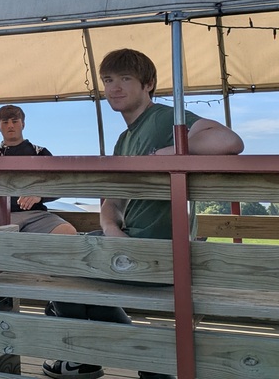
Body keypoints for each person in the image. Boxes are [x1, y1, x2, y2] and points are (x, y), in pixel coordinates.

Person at [42, 49, 244, 379]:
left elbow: (229, 140)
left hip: (160, 248)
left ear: (148, 84)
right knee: (53, 262)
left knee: (62, 271)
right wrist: (110, 228)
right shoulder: (124, 140)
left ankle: (109, 359)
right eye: (108, 80)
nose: (114, 87)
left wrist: (171, 151)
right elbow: (114, 201)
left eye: (125, 79)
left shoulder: (166, 119)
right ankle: (136, 360)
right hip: (129, 241)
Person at [0, 105, 79, 309]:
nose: (10, 126)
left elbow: (59, 184)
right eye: (5, 122)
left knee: (67, 233)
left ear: (23, 124)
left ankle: (62, 300)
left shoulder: (40, 153)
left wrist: (39, 195)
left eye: (14, 121)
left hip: (35, 216)